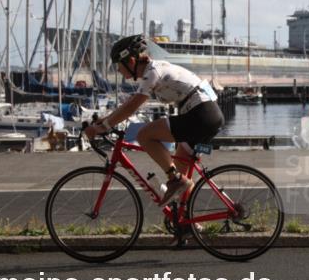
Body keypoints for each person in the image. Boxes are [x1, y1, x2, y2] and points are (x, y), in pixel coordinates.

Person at [83, 34, 224, 205]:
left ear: (131, 62)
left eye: (119, 65)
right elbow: (130, 104)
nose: (118, 70)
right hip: (206, 115)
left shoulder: (153, 72)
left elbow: (132, 106)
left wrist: (103, 127)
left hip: (202, 114)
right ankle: (186, 224)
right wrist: (105, 120)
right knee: (182, 173)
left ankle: (174, 179)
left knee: (145, 135)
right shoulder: (153, 70)